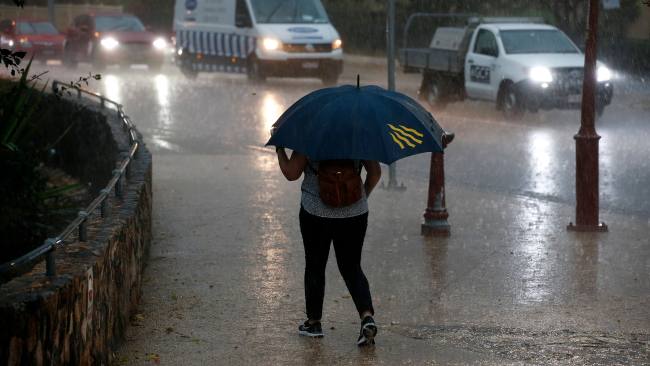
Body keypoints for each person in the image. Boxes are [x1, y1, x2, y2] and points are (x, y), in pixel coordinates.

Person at [274, 144, 382, 346]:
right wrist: (361, 197)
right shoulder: (357, 135)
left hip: (315, 212)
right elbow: (375, 173)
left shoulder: (312, 134)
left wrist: (279, 148)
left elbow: (291, 173)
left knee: (315, 265)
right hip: (355, 214)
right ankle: (366, 317)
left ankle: (314, 323)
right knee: (351, 267)